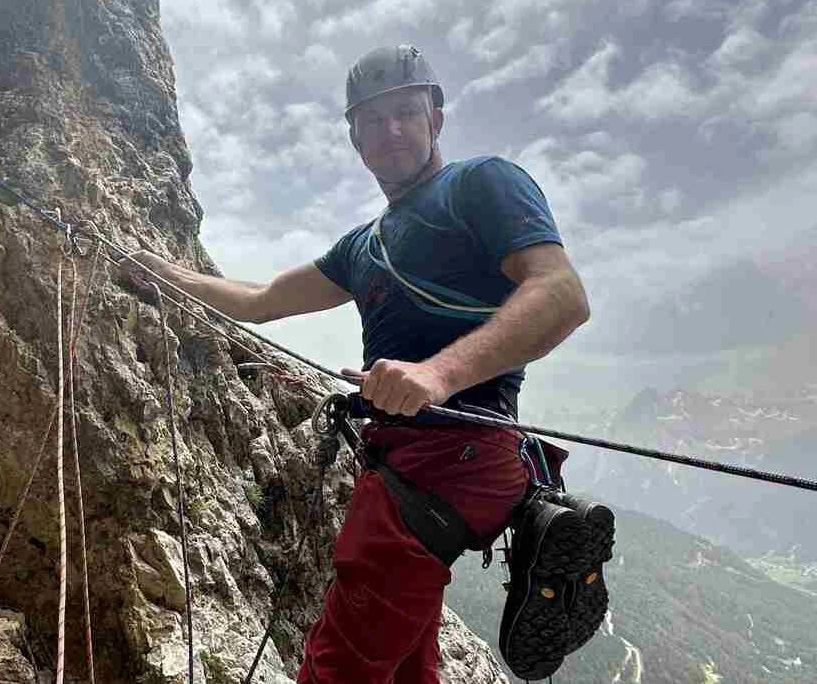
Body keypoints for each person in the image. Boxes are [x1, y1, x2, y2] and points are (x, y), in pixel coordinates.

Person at [123, 45, 601, 683]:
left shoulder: (480, 184)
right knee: (405, 663)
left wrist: (437, 375)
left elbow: (561, 294)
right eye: (373, 119)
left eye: (405, 112)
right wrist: (161, 273)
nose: (391, 129)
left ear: (436, 117)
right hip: (422, 464)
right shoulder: (362, 246)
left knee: (340, 666)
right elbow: (260, 300)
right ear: (355, 138)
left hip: (453, 457)